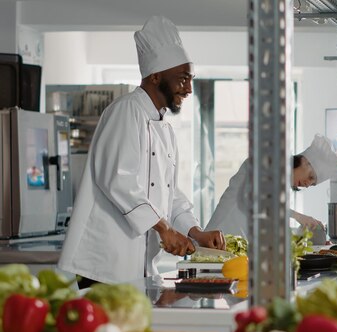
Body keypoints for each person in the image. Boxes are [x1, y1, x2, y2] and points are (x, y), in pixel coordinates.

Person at [59, 16, 225, 288]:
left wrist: (196, 232)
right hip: (103, 265)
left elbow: (169, 195)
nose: (189, 88)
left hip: (137, 265)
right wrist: (164, 229)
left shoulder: (164, 128)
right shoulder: (125, 111)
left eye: (191, 79)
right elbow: (117, 179)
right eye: (182, 79)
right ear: (156, 76)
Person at [205, 134, 337, 240]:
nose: (307, 184)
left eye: (312, 184)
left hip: (237, 244)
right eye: (311, 177)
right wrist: (298, 216)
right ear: (304, 161)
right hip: (219, 238)